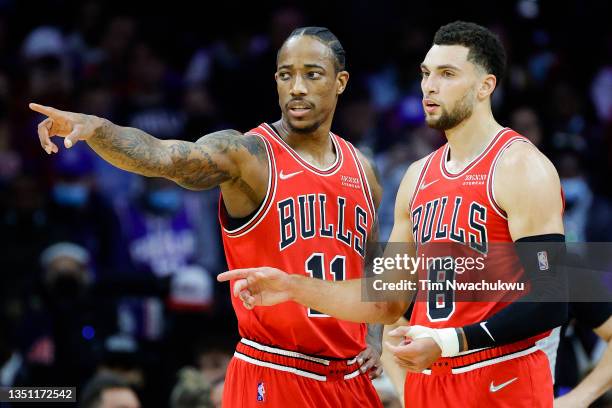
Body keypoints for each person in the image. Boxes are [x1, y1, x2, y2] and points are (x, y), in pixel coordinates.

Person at [218, 21, 568, 407]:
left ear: (485, 86)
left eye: (447, 74)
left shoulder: (521, 166)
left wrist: (451, 341)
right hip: (430, 381)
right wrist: (293, 286)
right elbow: (385, 302)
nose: (429, 86)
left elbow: (552, 299)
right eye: (425, 74)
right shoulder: (417, 178)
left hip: (501, 377)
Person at [31, 27, 383, 407]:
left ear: (340, 81)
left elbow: (376, 261)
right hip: (276, 369)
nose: (297, 87)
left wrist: (376, 338)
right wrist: (100, 130)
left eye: (312, 74)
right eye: (286, 74)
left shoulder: (363, 170)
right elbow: (165, 157)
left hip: (349, 377)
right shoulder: (247, 154)